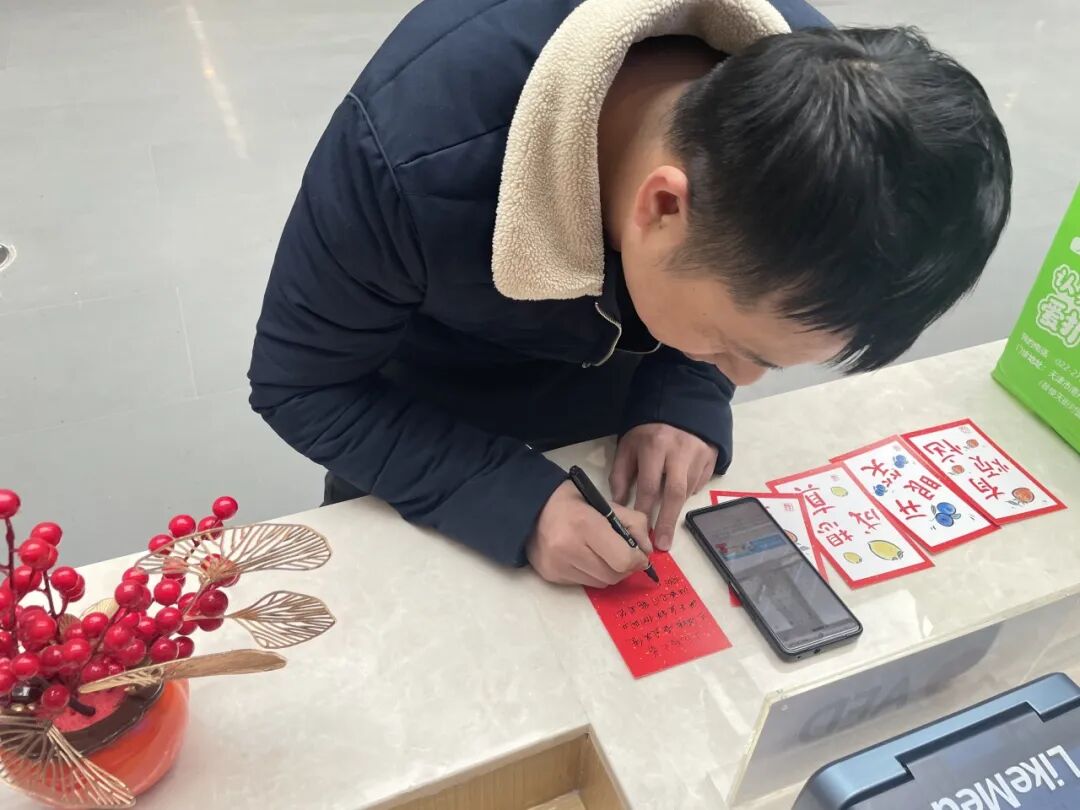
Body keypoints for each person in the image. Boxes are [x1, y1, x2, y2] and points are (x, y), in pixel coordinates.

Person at [248, 0, 1011, 588]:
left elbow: (739, 282)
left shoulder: (821, 110)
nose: (745, 379)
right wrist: (509, 499)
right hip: (418, 408)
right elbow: (305, 384)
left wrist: (688, 386)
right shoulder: (408, 154)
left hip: (616, 374)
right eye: (735, 349)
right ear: (662, 206)